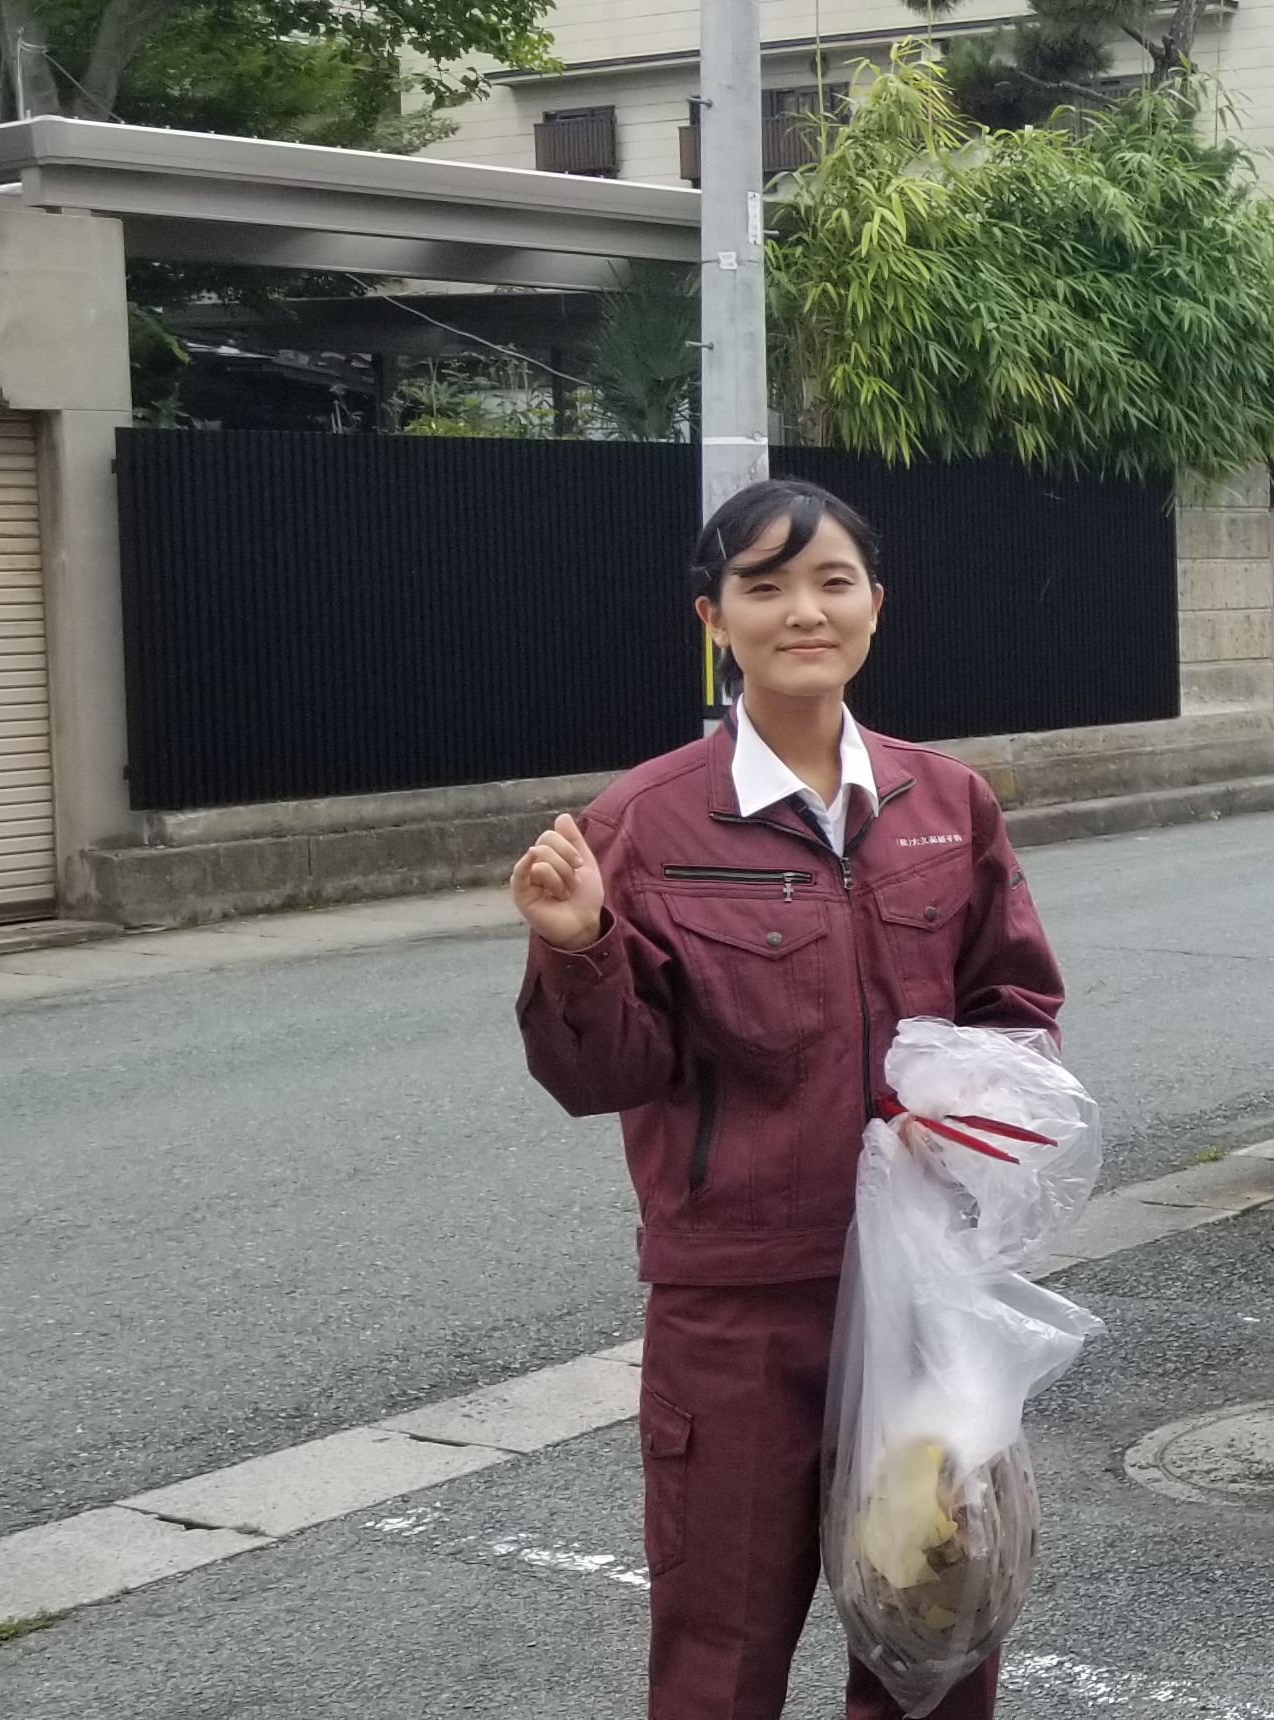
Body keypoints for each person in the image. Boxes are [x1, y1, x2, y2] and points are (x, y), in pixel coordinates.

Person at [510, 480, 1064, 1720]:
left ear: (876, 603)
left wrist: (972, 1102)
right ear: (716, 617)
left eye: (832, 581)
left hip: (923, 1295)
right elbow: (601, 1075)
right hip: (740, 1312)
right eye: (764, 586)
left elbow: (1016, 1007)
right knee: (721, 1656)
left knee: (936, 1640)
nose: (802, 610)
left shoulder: (946, 805)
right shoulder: (644, 824)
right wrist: (578, 942)